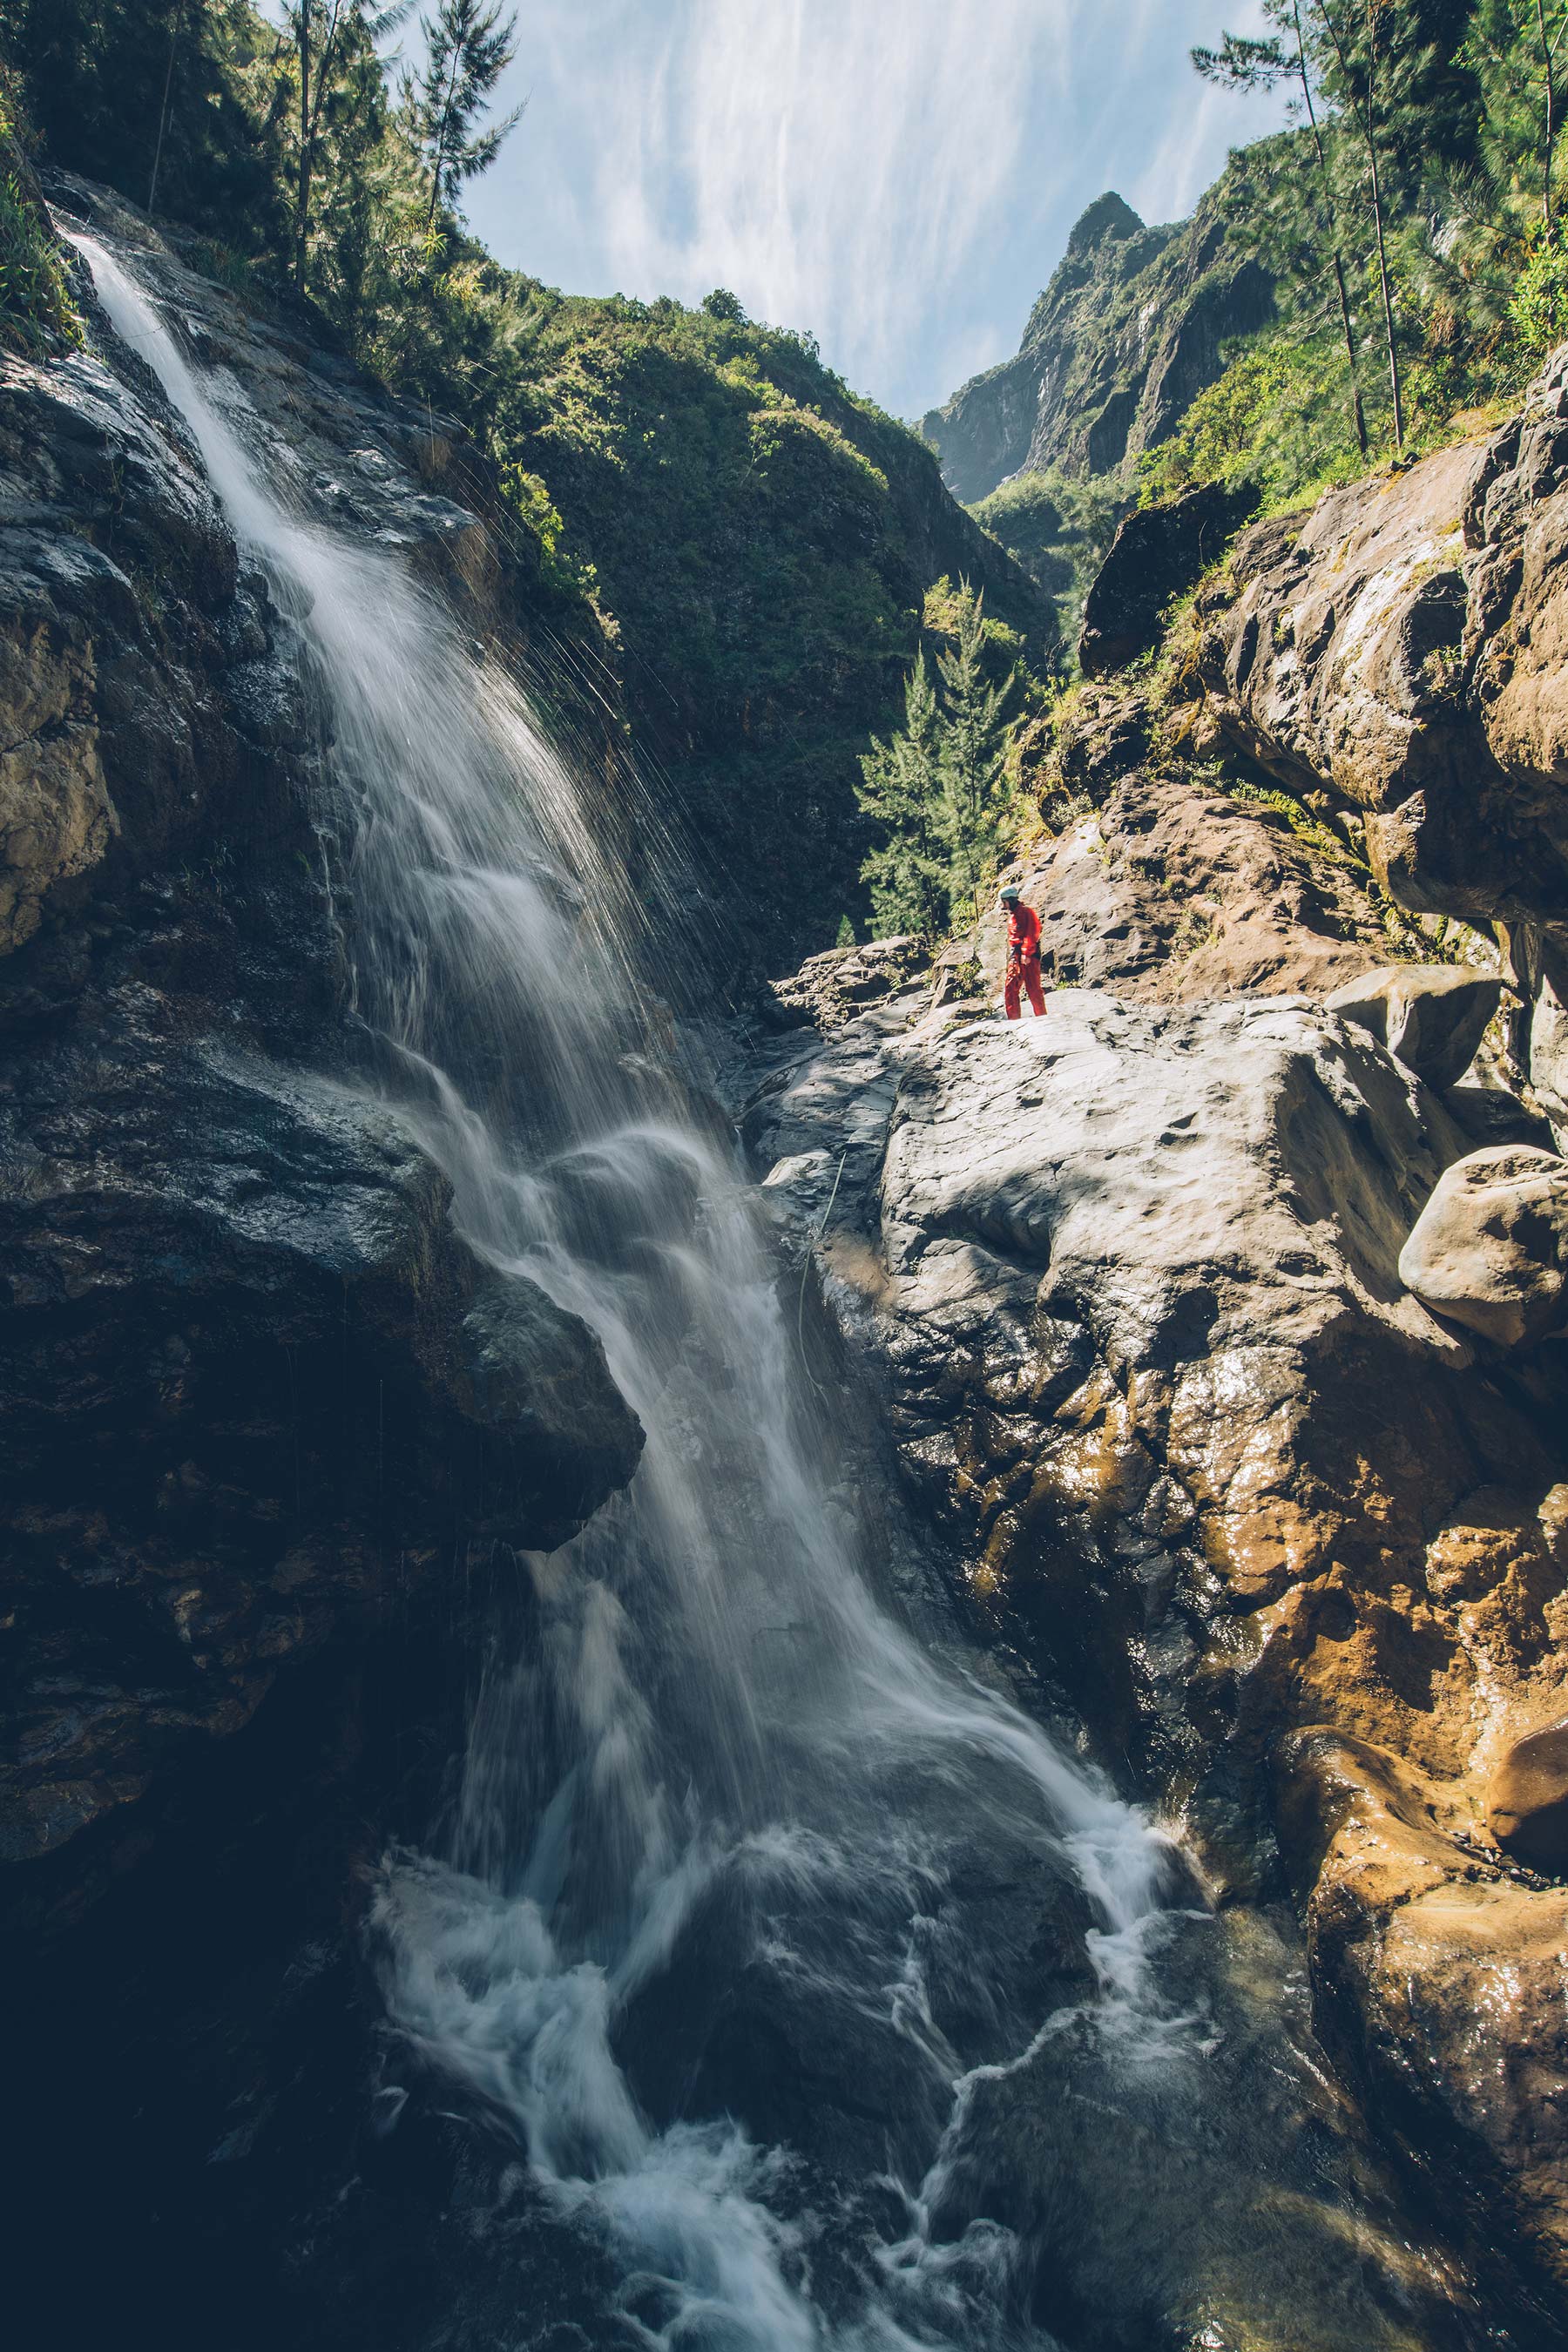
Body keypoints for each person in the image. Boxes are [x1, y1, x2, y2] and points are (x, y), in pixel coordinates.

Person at [999, 883, 1045, 1019]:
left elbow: (1032, 933)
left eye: (1005, 902)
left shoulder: (1026, 912)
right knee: (1010, 988)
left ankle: (1042, 1018)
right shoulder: (1013, 916)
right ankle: (1014, 1020)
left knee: (1033, 989)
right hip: (1016, 956)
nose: (1004, 905)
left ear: (1011, 900)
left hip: (1028, 956)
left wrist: (1026, 953)